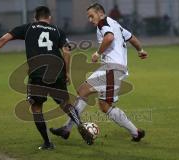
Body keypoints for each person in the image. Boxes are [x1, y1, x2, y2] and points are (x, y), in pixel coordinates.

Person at [0, 6, 94, 150]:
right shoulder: (58, 30)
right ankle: (79, 124)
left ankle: (47, 143)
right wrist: (66, 72)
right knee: (65, 104)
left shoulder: (28, 28)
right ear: (49, 18)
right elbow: (67, 51)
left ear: (35, 18)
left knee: (36, 107)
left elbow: (5, 38)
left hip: (37, 73)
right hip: (56, 70)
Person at [50, 3, 148, 142]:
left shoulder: (103, 22)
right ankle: (66, 128)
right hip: (110, 68)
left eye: (91, 16)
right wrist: (140, 50)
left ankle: (136, 133)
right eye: (88, 17)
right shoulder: (116, 24)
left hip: (112, 69)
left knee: (105, 106)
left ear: (100, 13)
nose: (90, 20)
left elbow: (109, 38)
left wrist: (97, 53)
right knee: (83, 90)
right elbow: (132, 38)